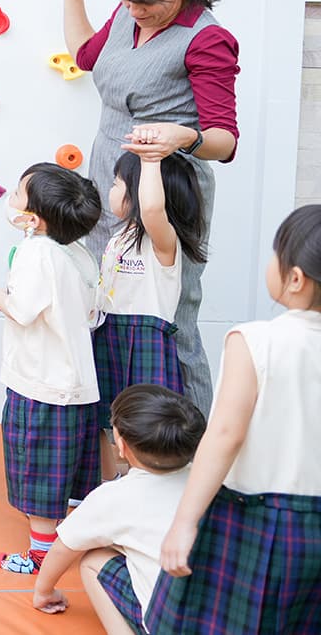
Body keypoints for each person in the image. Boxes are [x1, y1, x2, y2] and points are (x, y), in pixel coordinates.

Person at [61, 0, 240, 414]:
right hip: (110, 178)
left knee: (168, 319)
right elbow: (86, 56)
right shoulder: (129, 12)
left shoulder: (207, 40)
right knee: (109, 310)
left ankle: (193, 442)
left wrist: (185, 136)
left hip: (167, 187)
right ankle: (123, 438)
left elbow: (224, 141)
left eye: (148, 2)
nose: (136, 10)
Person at [150, 205, 321, 633]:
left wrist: (184, 521)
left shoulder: (255, 340)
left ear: (295, 278)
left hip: (257, 518)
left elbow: (225, 434)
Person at [0, 163, 105, 574]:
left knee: (37, 469)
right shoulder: (78, 252)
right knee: (67, 467)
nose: (10, 199)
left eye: (17, 194)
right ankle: (75, 538)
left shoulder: (35, 252)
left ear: (33, 219)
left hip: (40, 385)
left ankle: (41, 555)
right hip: (77, 383)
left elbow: (22, 310)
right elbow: (93, 313)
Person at [30, 384, 206, 634]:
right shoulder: (213, 483)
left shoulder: (113, 497)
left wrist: (43, 592)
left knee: (93, 559)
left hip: (167, 624)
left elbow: (63, 548)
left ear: (121, 446)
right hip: (226, 619)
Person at [93, 152, 207, 477]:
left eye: (117, 183)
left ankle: (148, 481)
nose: (111, 190)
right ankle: (109, 481)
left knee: (148, 420)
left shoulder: (162, 240)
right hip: (109, 333)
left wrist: (151, 160)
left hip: (144, 338)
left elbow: (153, 210)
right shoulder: (120, 236)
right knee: (99, 415)